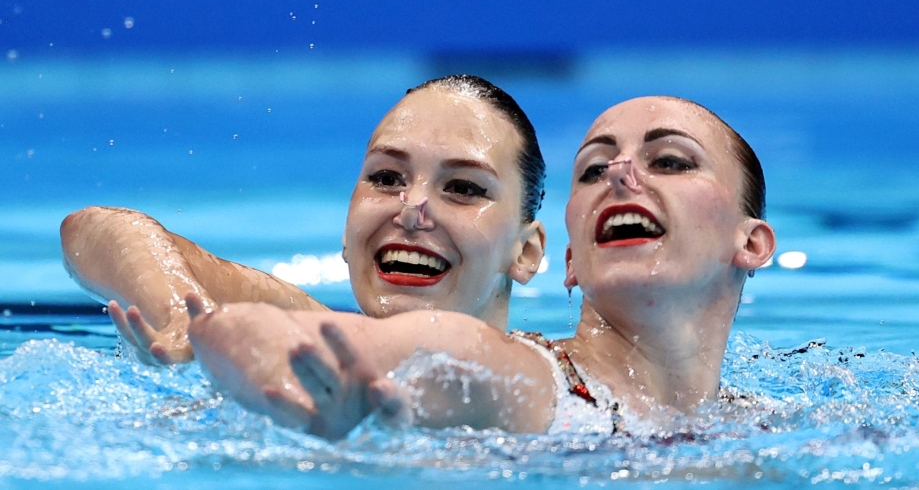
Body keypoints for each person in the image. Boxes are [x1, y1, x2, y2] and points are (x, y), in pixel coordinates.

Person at [183, 95, 777, 439]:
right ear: (572, 260)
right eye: (594, 170)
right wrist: (298, 390)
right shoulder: (514, 373)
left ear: (751, 244)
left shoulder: (767, 418)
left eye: (669, 161)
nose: (622, 174)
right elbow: (238, 329)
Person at [60, 75, 547, 365]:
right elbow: (94, 231)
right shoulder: (308, 336)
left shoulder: (564, 385)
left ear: (525, 253)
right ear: (347, 229)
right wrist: (181, 321)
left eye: (463, 188)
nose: (411, 208)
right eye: (385, 177)